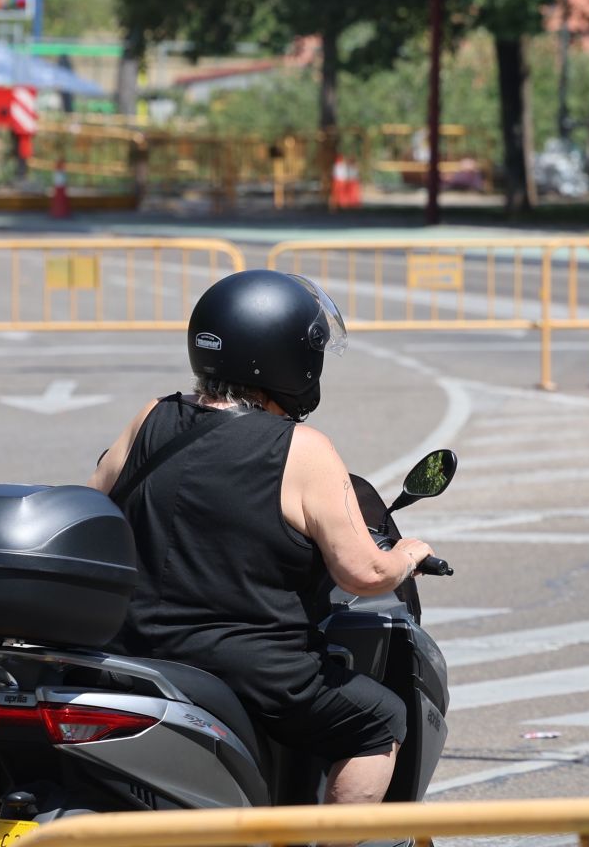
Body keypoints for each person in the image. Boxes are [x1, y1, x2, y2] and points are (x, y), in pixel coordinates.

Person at [88, 270, 435, 810]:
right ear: (287, 357)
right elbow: (364, 575)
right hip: (247, 667)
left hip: (129, 648)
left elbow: (93, 510)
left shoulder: (151, 417)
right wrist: (409, 552)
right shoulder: (301, 447)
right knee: (378, 719)